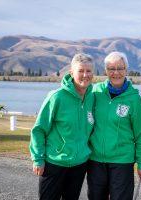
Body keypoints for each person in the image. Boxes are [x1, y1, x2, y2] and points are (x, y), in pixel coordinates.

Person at [29, 53, 95, 200]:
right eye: (81, 71)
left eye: (89, 71)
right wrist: (38, 158)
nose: (85, 75)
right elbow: (39, 129)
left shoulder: (92, 97)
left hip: (79, 165)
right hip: (54, 164)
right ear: (72, 72)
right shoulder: (56, 97)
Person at [87, 51, 141, 200]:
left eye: (120, 68)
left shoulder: (134, 99)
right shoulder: (95, 92)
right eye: (111, 68)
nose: (116, 73)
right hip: (95, 160)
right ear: (105, 71)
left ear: (126, 70)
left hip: (122, 161)